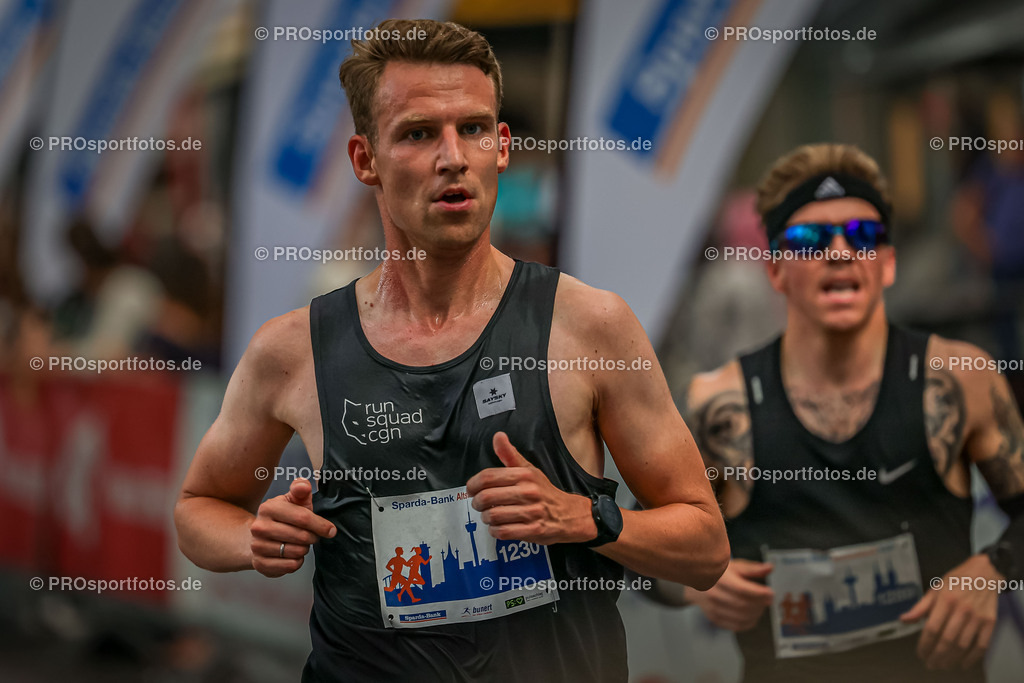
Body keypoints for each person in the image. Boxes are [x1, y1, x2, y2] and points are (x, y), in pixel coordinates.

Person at [173, 18, 728, 683]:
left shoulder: (588, 326)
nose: (451, 157)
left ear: (501, 147)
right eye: (417, 133)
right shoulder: (293, 350)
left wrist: (586, 515)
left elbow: (704, 545)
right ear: (364, 160)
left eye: (471, 129)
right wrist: (251, 539)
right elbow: (196, 509)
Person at [671, 143, 1024, 681]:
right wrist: (696, 586)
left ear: (887, 263)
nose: (839, 251)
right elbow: (642, 552)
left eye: (861, 236)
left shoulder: (960, 380)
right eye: (810, 238)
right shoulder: (722, 404)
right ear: (775, 270)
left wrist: (990, 570)